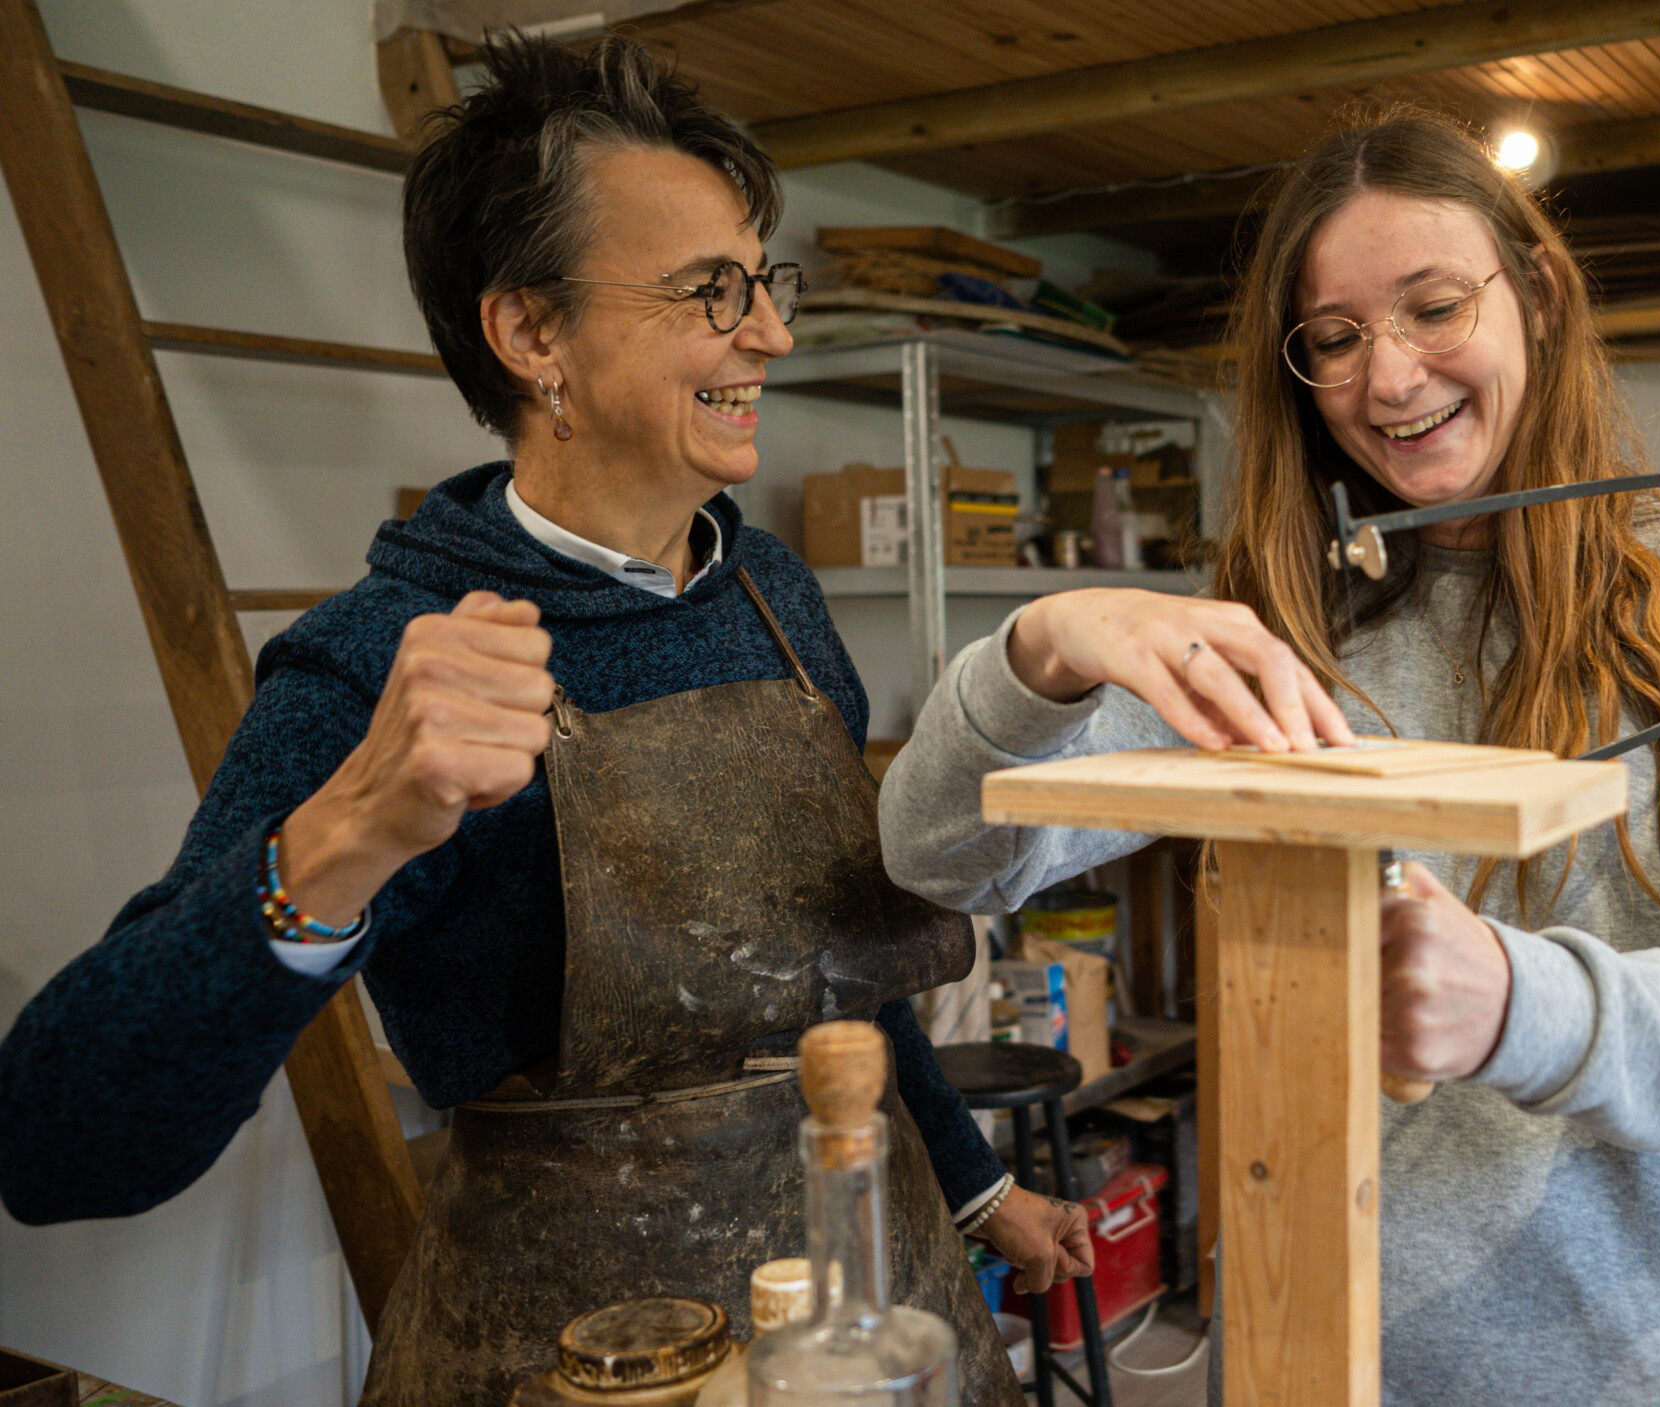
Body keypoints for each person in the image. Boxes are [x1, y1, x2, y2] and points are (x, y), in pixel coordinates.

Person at [0, 35, 1083, 1407]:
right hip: (580, 1358)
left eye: (765, 284)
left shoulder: (774, 598)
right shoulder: (376, 671)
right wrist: (341, 835)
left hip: (870, 1311)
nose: (773, 334)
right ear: (533, 336)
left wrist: (981, 1192)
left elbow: (837, 995)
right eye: (711, 292)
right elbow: (54, 1144)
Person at [881, 109, 1660, 1405]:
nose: (1388, 379)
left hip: (1646, 1360)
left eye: (1434, 307)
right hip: (1328, 1356)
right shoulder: (1275, 632)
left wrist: (1516, 1001)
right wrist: (1047, 645)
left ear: (1539, 297)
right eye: (1334, 339)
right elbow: (938, 854)